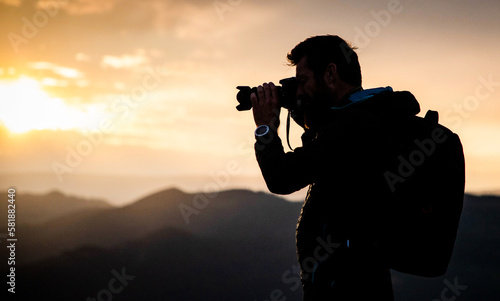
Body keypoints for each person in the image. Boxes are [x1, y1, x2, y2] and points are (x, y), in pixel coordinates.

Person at [250, 35, 421, 300]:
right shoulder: (367, 117)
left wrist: (265, 129)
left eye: (303, 81)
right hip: (359, 281)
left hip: (346, 287)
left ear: (330, 73)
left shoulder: (353, 127)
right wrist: (301, 109)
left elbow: (281, 178)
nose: (298, 91)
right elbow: (324, 149)